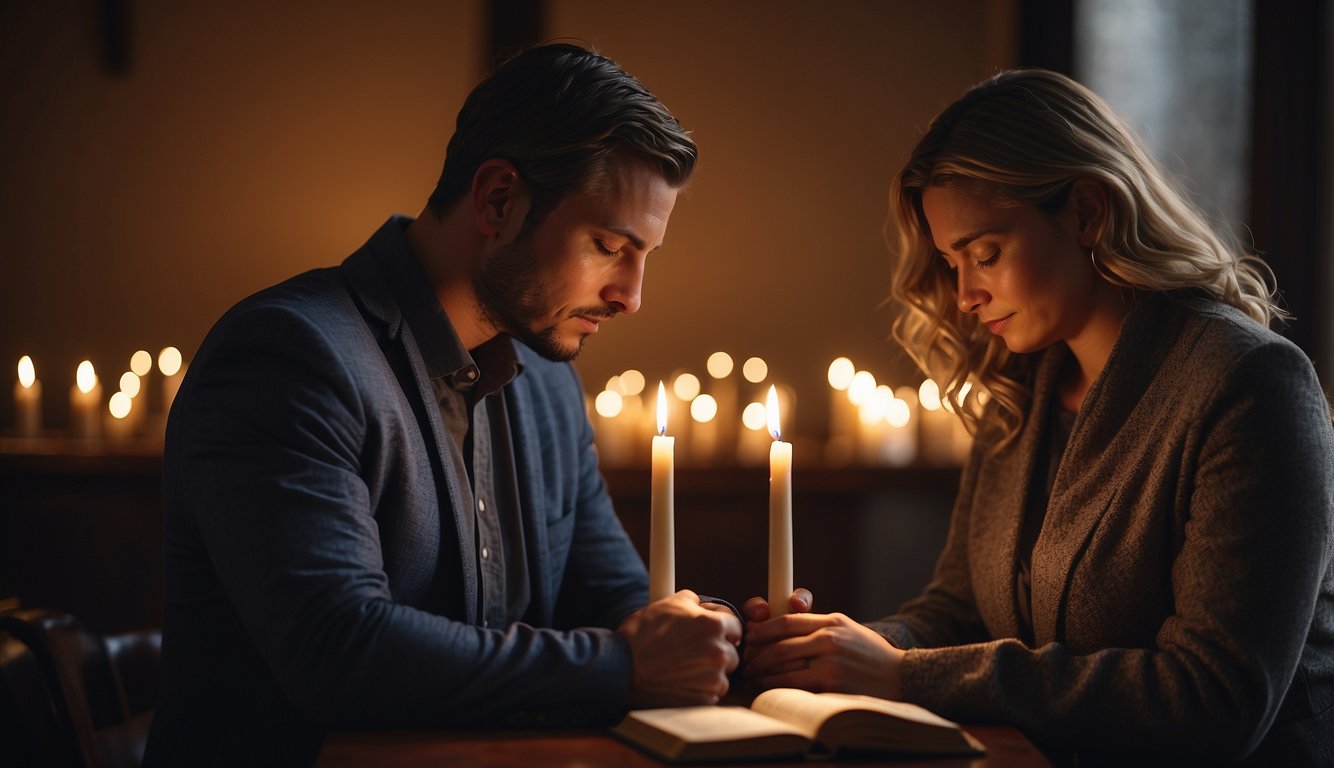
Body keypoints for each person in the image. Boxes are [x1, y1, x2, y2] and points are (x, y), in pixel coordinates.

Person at [143, 43, 742, 766]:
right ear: (497, 199)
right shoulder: (288, 357)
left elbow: (615, 599)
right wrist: (624, 667)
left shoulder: (548, 381)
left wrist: (719, 639)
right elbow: (341, 654)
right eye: (609, 244)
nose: (631, 296)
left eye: (644, 256)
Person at [743, 68, 1334, 766]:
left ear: (1087, 213)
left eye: (985, 254)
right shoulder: (1021, 384)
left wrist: (904, 676)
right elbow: (958, 612)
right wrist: (844, 650)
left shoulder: (1247, 383)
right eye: (950, 262)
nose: (964, 294)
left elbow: (1213, 698)